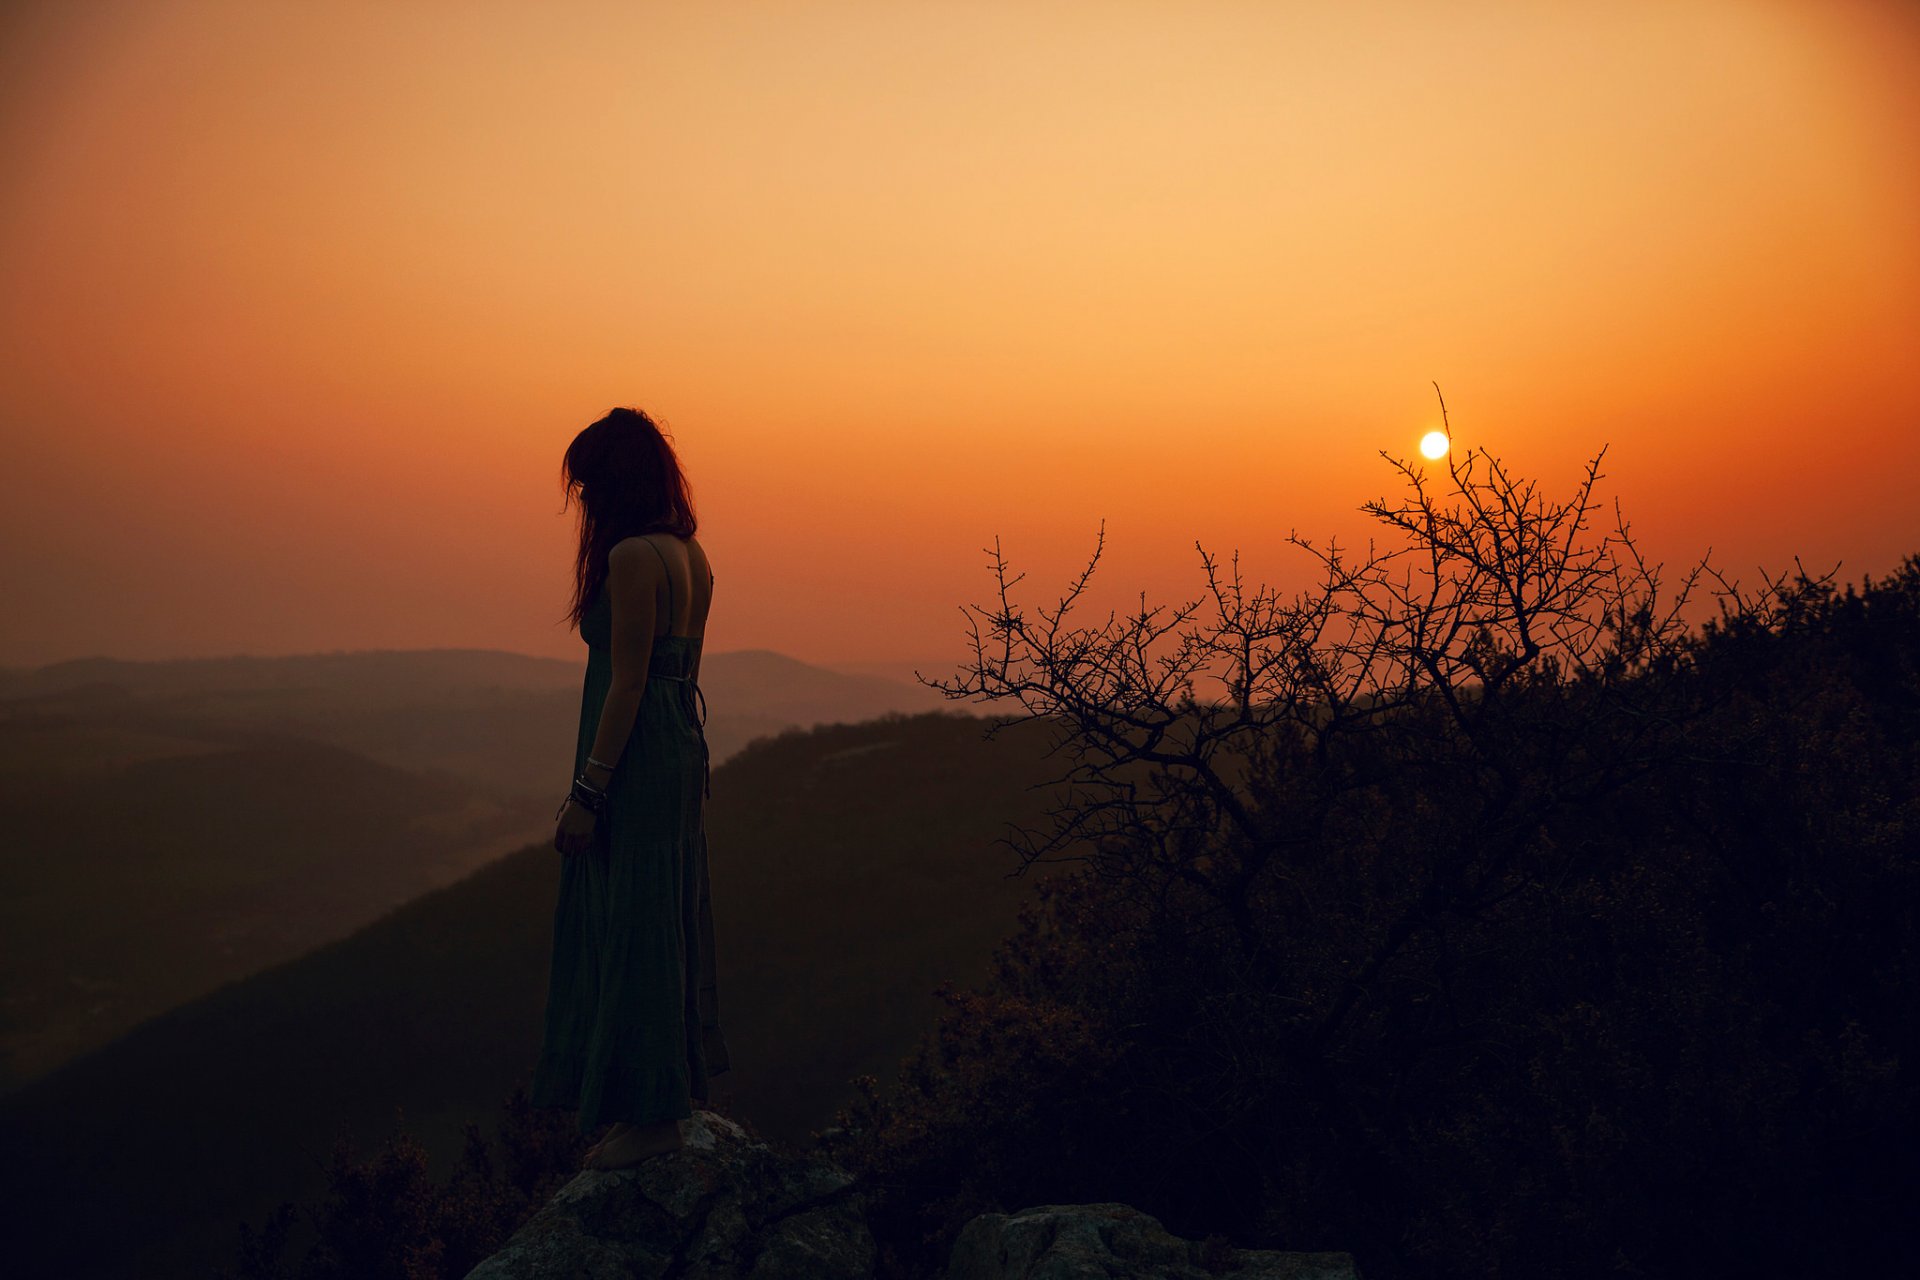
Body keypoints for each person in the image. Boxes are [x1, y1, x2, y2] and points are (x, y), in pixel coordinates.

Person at [531, 405, 732, 1171]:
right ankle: (659, 1095)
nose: (581, 499)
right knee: (667, 909)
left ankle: (651, 1114)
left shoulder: (631, 559)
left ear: (612, 481)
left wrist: (588, 794)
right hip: (678, 749)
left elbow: (627, 684)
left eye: (586, 484)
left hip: (638, 757)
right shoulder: (691, 553)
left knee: (635, 920)